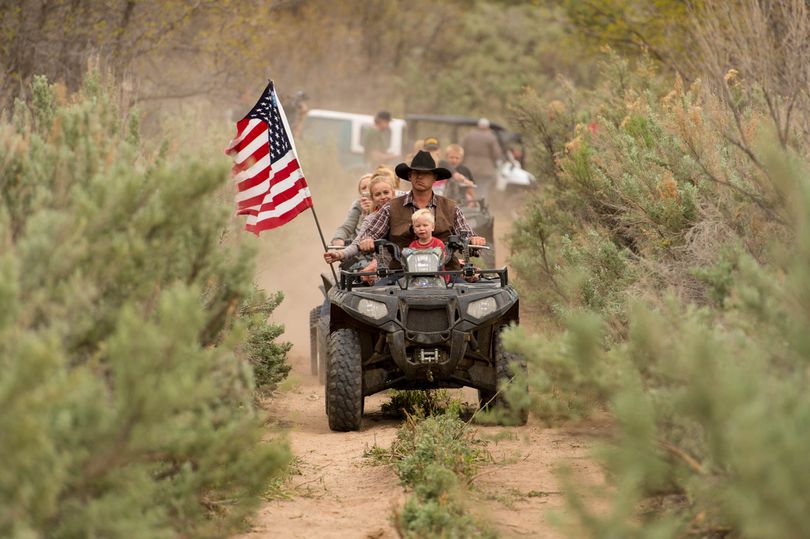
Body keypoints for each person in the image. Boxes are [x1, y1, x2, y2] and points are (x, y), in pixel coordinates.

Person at [323, 150, 485, 269]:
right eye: (415, 173)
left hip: (446, 275)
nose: (419, 177)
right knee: (365, 305)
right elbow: (365, 237)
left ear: (434, 178)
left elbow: (468, 235)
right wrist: (341, 254)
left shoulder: (451, 207)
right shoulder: (391, 208)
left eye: (424, 174)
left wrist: (474, 241)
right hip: (398, 276)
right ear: (409, 176)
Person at [461, 118, 502, 199]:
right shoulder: (491, 137)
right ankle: (481, 208)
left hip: (469, 167)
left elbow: (461, 150)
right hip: (486, 169)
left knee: (470, 188)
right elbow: (497, 154)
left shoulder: (469, 135)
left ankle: (469, 208)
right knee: (483, 189)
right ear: (488, 127)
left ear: (478, 126)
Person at [330, 173, 374, 248]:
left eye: (370, 186)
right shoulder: (358, 205)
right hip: (358, 247)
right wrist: (338, 238)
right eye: (363, 188)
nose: (367, 190)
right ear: (360, 193)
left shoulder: (384, 203)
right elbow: (347, 226)